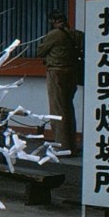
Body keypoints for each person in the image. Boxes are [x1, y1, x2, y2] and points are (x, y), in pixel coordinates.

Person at [37, 10, 84, 155]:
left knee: (58, 110)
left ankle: (62, 146)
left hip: (56, 73)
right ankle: (72, 145)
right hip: (72, 74)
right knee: (68, 109)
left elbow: (40, 51)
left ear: (53, 21)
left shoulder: (54, 34)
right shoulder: (76, 34)